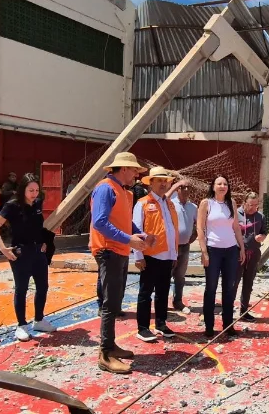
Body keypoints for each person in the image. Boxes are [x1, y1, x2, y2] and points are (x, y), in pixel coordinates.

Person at [90, 152, 152, 374]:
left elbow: (124, 222)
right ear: (124, 169)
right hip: (109, 250)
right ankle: (105, 354)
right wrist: (129, 239)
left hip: (118, 250)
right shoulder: (106, 188)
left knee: (115, 302)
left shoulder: (123, 191)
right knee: (110, 304)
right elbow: (99, 222)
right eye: (134, 170)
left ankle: (110, 346)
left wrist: (140, 235)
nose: (137, 174)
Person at [0, 173, 58, 341]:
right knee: (21, 289)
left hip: (38, 252)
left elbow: (38, 226)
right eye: (30, 190)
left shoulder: (37, 203)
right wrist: (3, 248)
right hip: (20, 253)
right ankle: (21, 325)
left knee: (43, 286)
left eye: (36, 190)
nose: (34, 194)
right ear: (23, 190)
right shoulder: (12, 206)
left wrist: (44, 241)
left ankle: (39, 320)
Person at [132, 167, 179, 342]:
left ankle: (161, 323)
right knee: (145, 293)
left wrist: (174, 254)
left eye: (165, 181)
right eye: (159, 180)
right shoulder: (143, 203)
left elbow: (172, 229)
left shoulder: (170, 203)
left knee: (163, 292)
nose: (163, 184)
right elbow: (136, 230)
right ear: (150, 183)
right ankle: (143, 328)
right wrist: (138, 256)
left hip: (168, 255)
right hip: (150, 255)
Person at [197, 175, 245, 338]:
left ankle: (228, 325)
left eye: (225, 184)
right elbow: (200, 229)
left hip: (231, 250)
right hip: (213, 250)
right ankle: (209, 326)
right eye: (219, 183)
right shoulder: (206, 203)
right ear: (213, 186)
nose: (222, 186)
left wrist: (241, 247)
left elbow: (236, 227)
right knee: (211, 289)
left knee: (229, 289)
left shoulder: (232, 203)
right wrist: (204, 252)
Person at [234, 192, 266, 321]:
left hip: (253, 253)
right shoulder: (235, 214)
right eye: (250, 205)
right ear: (244, 203)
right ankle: (228, 309)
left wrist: (262, 237)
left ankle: (244, 311)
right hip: (237, 253)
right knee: (233, 282)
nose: (253, 208)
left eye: (256, 205)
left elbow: (264, 232)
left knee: (248, 283)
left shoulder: (260, 217)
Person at [168, 178, 197, 313]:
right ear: (177, 189)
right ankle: (162, 302)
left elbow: (199, 223)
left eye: (188, 187)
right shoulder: (170, 204)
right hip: (170, 247)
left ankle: (178, 301)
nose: (186, 190)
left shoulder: (193, 207)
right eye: (182, 187)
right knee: (166, 276)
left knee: (180, 276)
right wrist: (175, 185)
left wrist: (195, 234)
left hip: (185, 247)